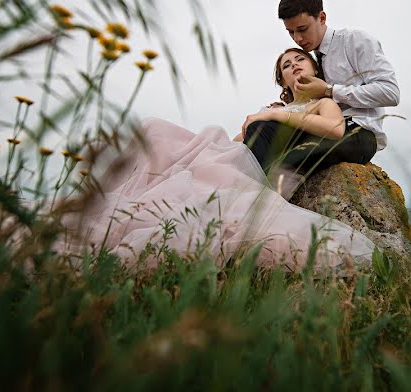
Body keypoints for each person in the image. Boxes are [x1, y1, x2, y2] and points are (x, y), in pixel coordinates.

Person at [44, 47, 377, 272]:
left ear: (315, 69)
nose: (294, 67)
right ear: (284, 82)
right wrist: (257, 121)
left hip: (253, 174)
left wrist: (276, 119)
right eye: (287, 67)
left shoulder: (319, 103)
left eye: (299, 61)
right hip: (235, 157)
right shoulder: (272, 109)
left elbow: (334, 129)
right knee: (155, 132)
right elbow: (240, 143)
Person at [243, 0, 399, 182]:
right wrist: (279, 109)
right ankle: (255, 197)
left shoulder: (354, 41)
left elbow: (391, 92)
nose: (297, 38)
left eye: (302, 29)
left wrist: (329, 90)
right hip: (318, 129)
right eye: (290, 32)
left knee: (282, 155)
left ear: (322, 18)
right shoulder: (311, 59)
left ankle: (266, 196)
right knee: (261, 130)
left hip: (356, 134)